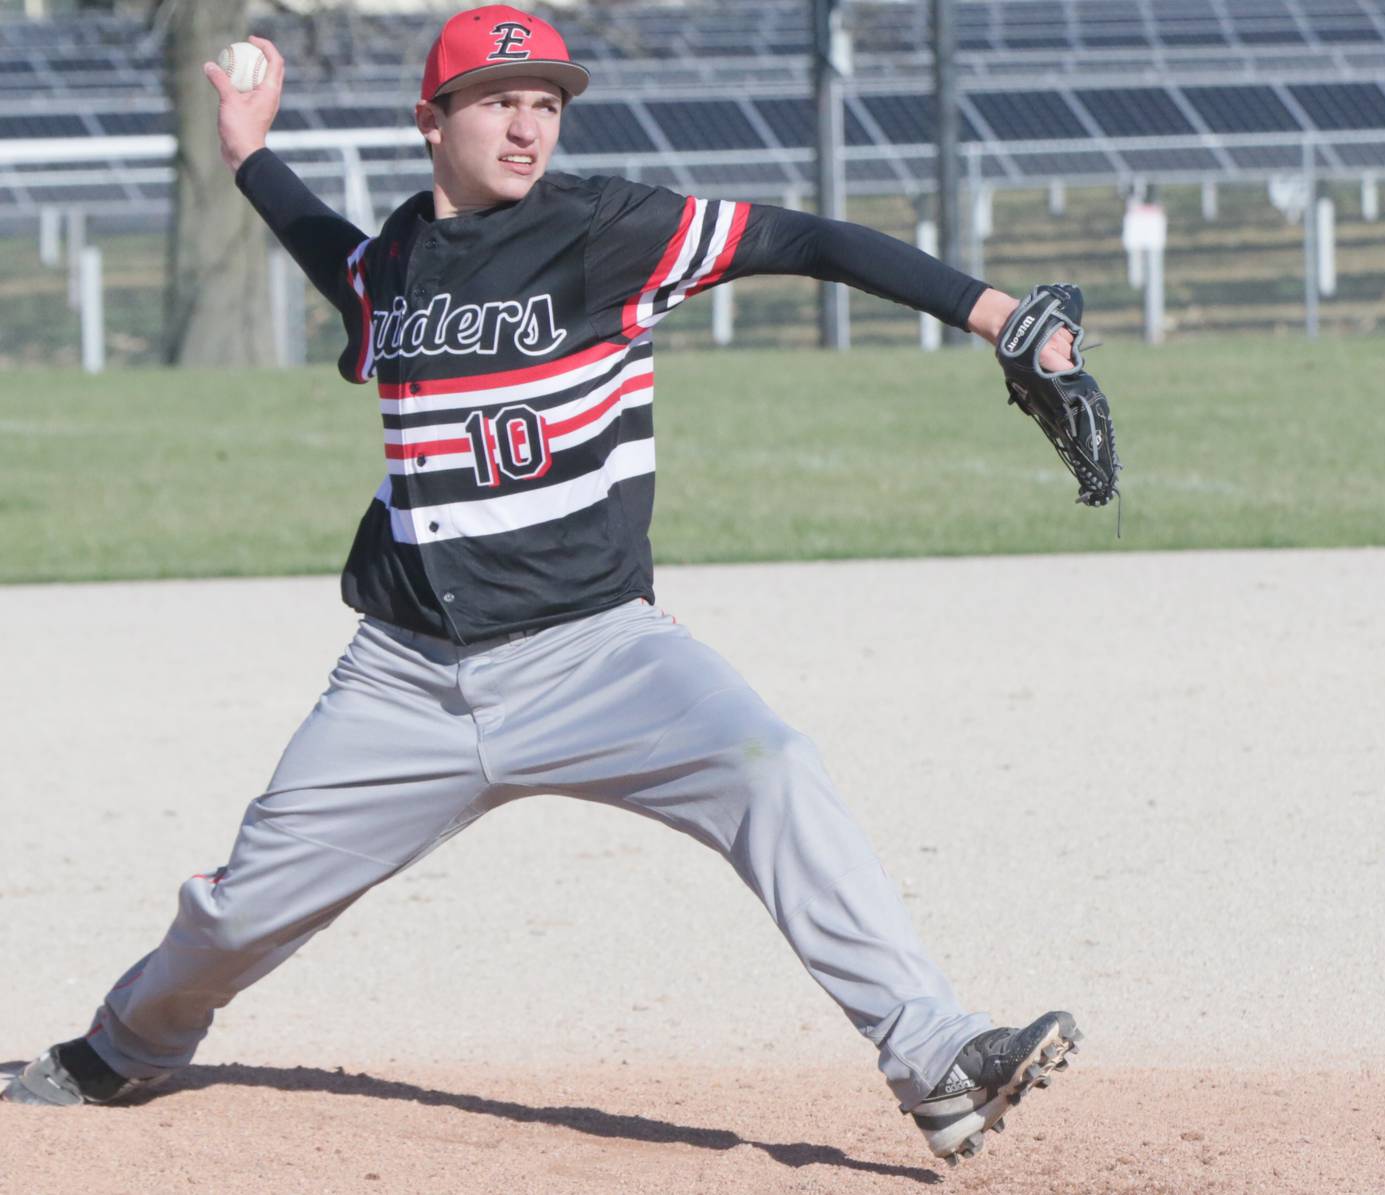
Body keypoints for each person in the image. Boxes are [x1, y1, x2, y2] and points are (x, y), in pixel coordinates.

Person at [3, 6, 1080, 1166]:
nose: (528, 128)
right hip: (406, 680)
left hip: (601, 656)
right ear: (432, 120)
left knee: (772, 766)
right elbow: (337, 256)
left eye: (547, 105)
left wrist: (999, 315)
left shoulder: (611, 229)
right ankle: (129, 1044)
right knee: (237, 907)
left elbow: (810, 238)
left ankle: (940, 1055)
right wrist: (247, 152)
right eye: (500, 102)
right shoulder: (398, 266)